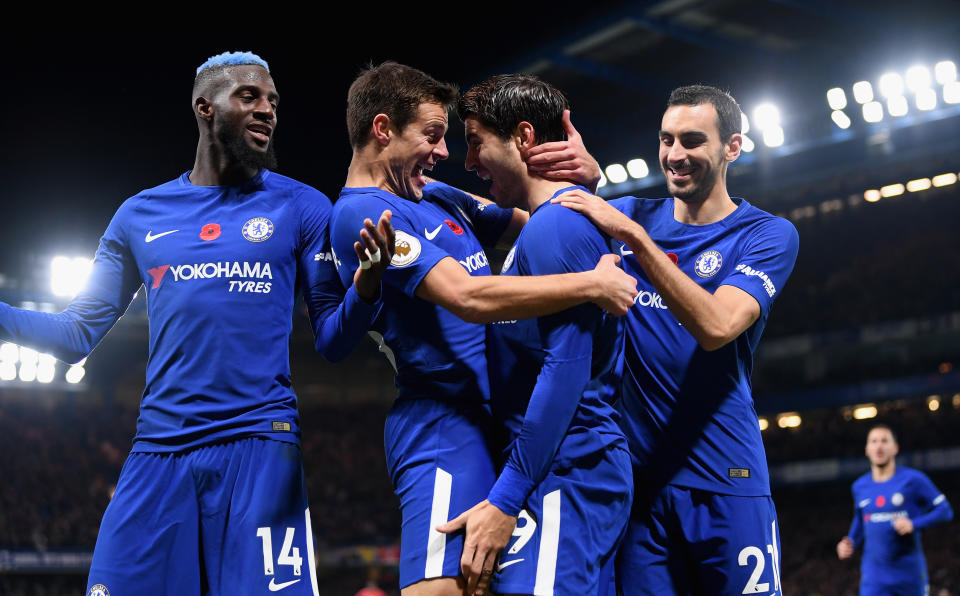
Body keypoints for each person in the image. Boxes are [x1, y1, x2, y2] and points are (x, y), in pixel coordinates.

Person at [0, 51, 395, 596]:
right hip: (158, 452)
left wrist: (367, 288)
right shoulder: (139, 215)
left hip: (259, 449)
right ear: (204, 106)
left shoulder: (302, 207)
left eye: (273, 101)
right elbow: (75, 336)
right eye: (249, 97)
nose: (267, 111)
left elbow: (332, 339)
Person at [329, 62, 638, 596]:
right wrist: (589, 285)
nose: (447, 153)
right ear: (383, 129)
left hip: (499, 428)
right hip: (445, 424)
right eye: (432, 135)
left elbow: (550, 224)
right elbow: (467, 296)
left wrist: (587, 180)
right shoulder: (364, 218)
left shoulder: (436, 198)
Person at [552, 84, 799, 595]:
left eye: (692, 140)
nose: (675, 155)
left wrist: (637, 241)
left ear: (732, 146)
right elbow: (528, 219)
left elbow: (716, 327)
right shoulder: (629, 214)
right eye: (666, 140)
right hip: (640, 490)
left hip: (727, 479)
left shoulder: (766, 234)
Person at [437, 74, 633, 596]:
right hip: (556, 469)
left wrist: (507, 497)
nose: (470, 161)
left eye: (477, 142)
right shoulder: (547, 224)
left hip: (568, 469)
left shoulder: (557, 227)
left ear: (523, 138)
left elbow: (565, 369)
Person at [837, 423, 953, 596]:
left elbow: (945, 511)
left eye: (885, 441)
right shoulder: (859, 486)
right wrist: (850, 542)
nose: (879, 446)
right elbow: (861, 519)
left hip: (910, 576)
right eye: (874, 441)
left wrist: (914, 524)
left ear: (895, 448)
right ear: (867, 449)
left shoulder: (914, 480)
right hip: (874, 578)